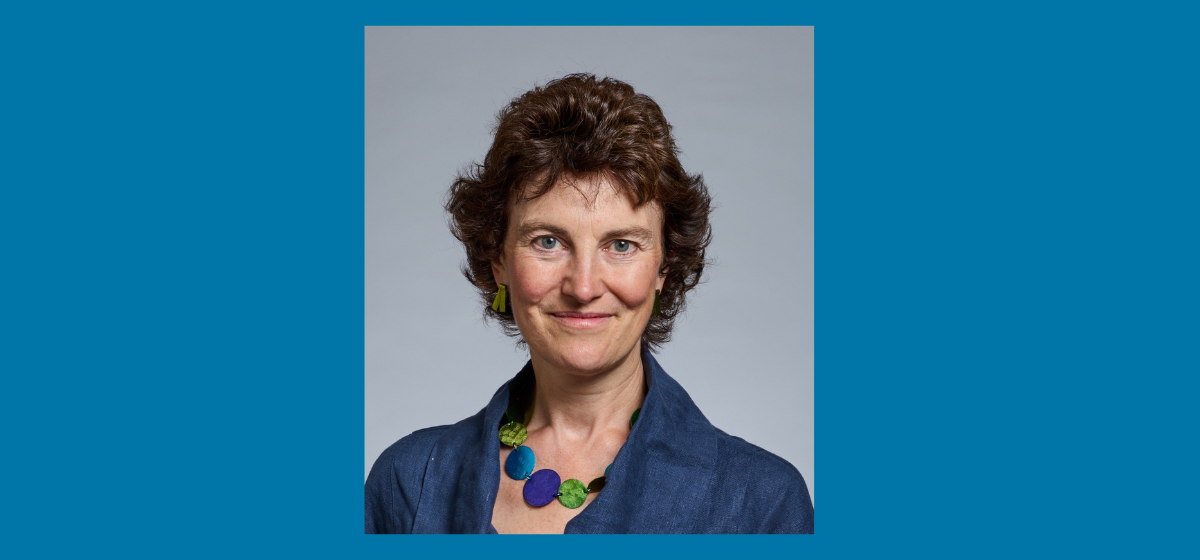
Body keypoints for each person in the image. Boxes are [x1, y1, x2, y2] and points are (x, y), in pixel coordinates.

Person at [365, 74, 814, 534]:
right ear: (497, 260)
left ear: (663, 269)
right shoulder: (409, 482)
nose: (583, 287)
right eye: (547, 241)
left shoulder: (761, 503)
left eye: (620, 245)